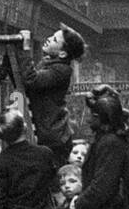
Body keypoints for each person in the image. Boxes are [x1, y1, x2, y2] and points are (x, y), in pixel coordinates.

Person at [19, 27, 86, 166]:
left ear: (62, 53)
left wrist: (26, 48)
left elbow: (31, 80)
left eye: (54, 39)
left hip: (54, 136)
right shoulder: (50, 63)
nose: (48, 39)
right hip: (51, 132)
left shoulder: (61, 70)